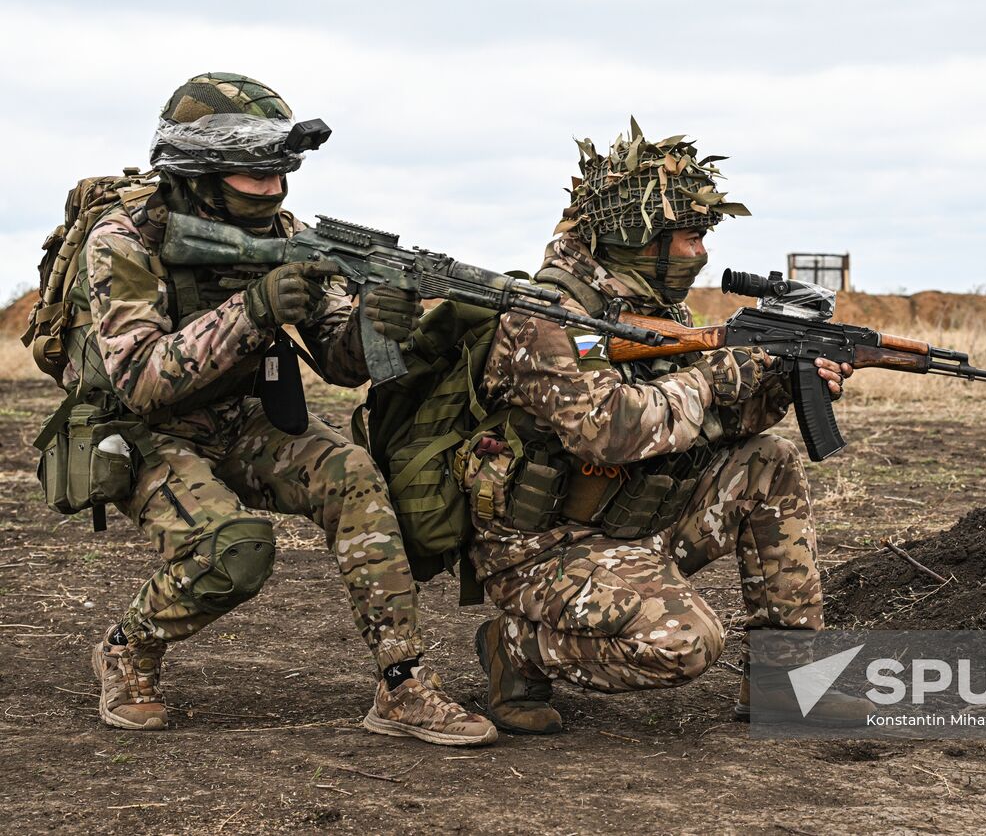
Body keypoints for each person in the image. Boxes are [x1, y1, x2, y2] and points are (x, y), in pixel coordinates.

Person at [83, 73, 495, 746]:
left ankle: (403, 683)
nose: (274, 188)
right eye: (254, 174)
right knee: (236, 550)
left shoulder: (287, 233)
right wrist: (254, 310)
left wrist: (376, 324)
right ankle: (127, 648)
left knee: (354, 473)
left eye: (281, 171)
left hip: (241, 418)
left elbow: (338, 358)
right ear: (199, 172)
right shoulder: (124, 239)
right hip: (145, 432)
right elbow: (142, 379)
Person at [462, 120, 867, 733]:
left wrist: (775, 383)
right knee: (686, 643)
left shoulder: (653, 311)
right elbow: (608, 432)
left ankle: (787, 684)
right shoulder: (549, 318)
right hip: (543, 547)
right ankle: (515, 648)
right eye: (688, 237)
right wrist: (714, 378)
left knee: (770, 459)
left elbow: (710, 423)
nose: (701, 253)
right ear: (634, 233)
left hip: (633, 521)